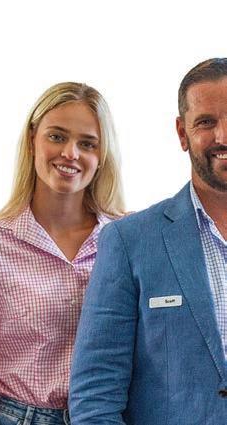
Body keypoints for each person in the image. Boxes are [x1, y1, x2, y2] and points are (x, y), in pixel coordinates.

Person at [0, 82, 125, 425]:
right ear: (32, 139)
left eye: (87, 143)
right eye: (57, 136)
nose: (70, 153)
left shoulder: (126, 240)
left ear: (102, 155)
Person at [69, 58, 227, 425]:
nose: (222, 136)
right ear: (182, 132)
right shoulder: (130, 242)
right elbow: (95, 397)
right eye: (206, 122)